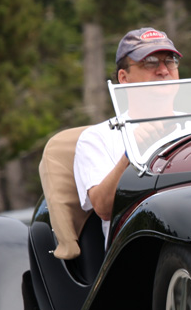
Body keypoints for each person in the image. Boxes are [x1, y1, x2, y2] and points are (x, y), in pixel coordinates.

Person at [74, 27, 182, 239]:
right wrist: (131, 155)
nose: (163, 70)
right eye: (150, 62)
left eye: (170, 60)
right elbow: (104, 208)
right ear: (124, 78)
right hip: (139, 246)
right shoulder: (97, 137)